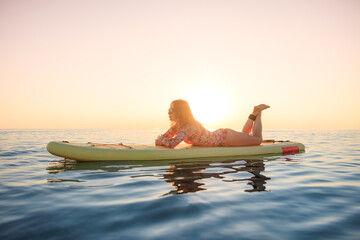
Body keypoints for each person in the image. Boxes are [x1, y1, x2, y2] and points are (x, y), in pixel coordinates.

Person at [155, 99, 270, 148]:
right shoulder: (177, 127)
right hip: (221, 136)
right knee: (245, 134)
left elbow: (171, 144)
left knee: (257, 139)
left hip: (225, 138)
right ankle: (254, 113)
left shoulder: (189, 127)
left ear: (180, 112)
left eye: (171, 110)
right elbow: (159, 140)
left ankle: (258, 113)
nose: (168, 112)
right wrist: (161, 139)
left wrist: (162, 139)